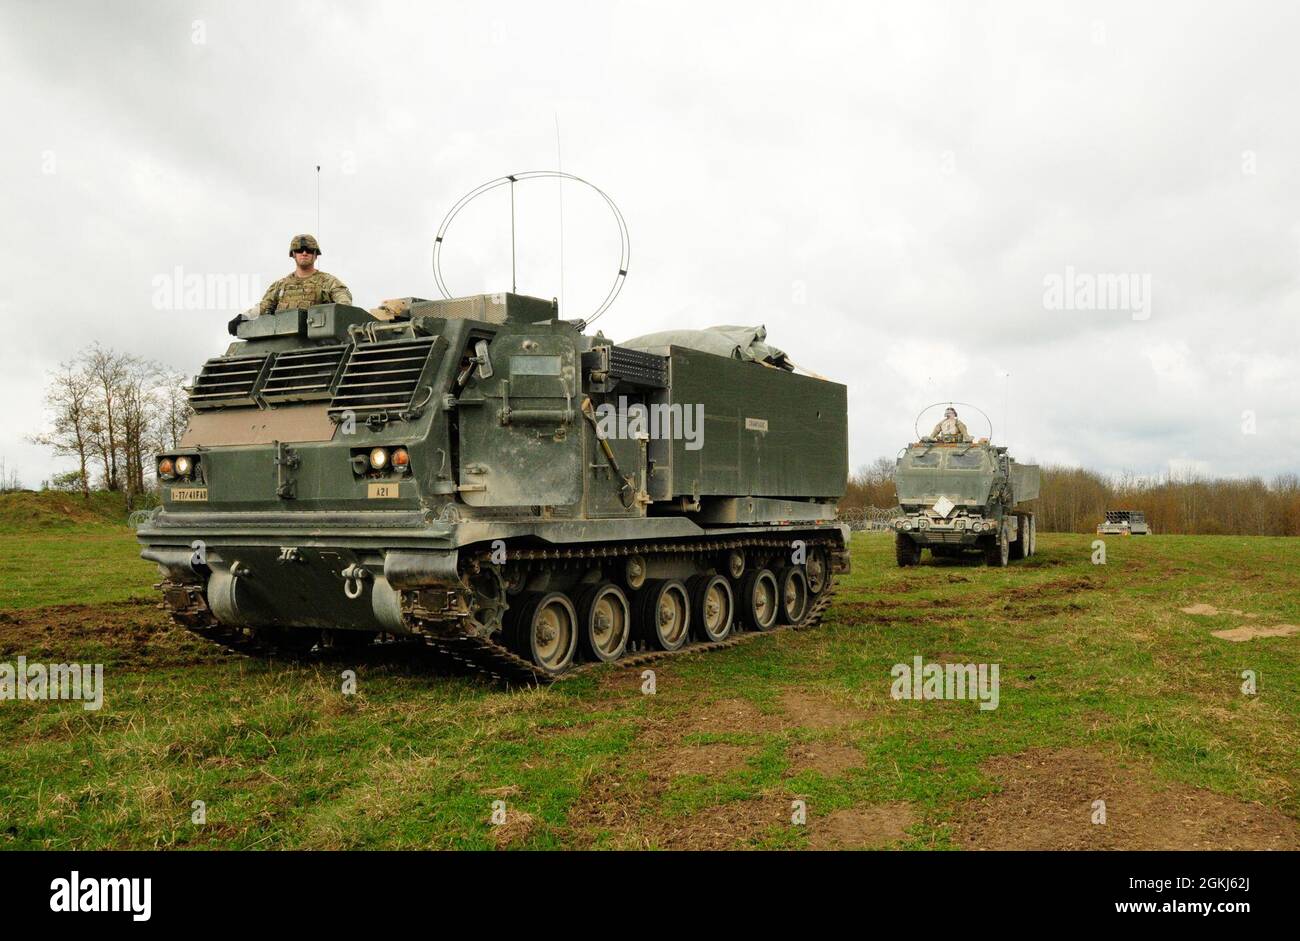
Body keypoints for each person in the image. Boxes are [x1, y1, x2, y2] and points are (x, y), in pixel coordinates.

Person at [257, 234, 352, 315]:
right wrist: (245, 316)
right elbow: (262, 307)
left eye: (309, 250)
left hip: (316, 335)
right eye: (299, 250)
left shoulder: (329, 282)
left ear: (315, 255)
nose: (304, 253)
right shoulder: (280, 285)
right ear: (293, 254)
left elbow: (344, 306)